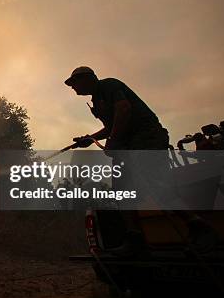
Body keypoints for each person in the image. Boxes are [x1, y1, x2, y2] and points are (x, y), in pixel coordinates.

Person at [64, 66, 216, 254]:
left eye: (74, 82)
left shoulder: (109, 85)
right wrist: (90, 139)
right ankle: (135, 238)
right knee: (122, 189)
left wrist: (114, 140)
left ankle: (198, 226)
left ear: (88, 78)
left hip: (148, 137)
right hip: (127, 144)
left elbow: (124, 109)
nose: (72, 87)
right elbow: (112, 125)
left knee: (154, 182)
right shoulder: (97, 101)